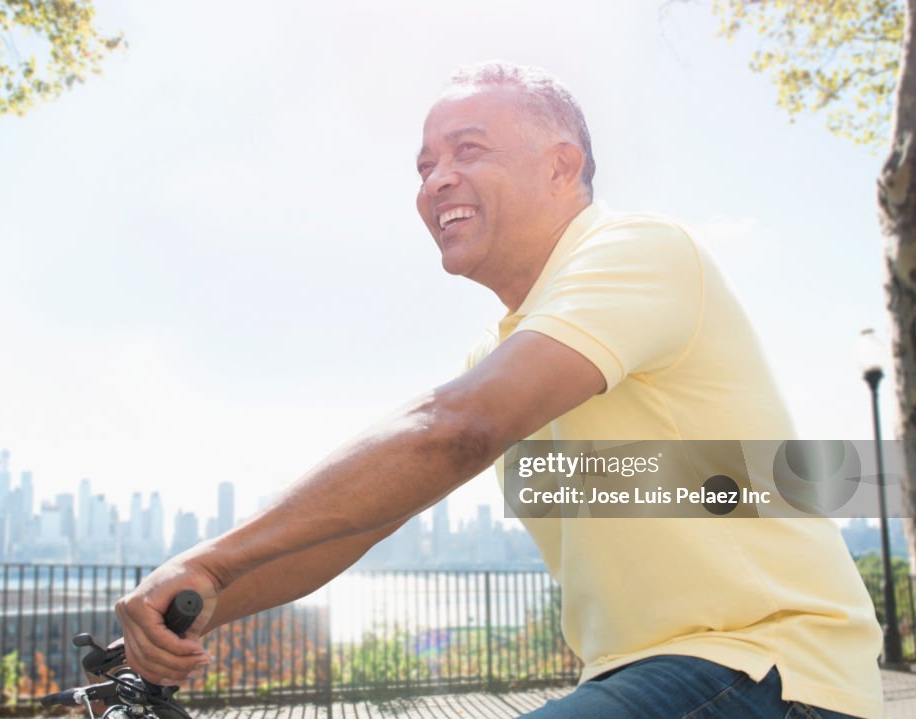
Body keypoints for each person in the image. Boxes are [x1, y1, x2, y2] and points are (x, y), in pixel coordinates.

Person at [114, 63, 883, 718]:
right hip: (655, 675)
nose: (436, 178)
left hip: (772, 669)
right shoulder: (506, 347)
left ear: (561, 164)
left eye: (467, 150)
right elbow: (363, 521)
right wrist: (190, 609)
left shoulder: (638, 251)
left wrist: (211, 560)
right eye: (422, 165)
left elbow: (457, 427)